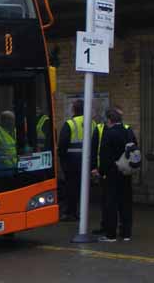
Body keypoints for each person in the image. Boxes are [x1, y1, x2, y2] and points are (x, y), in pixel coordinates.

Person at [91, 105, 137, 235]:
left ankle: (109, 231)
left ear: (108, 119)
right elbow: (134, 150)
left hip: (109, 172)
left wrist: (98, 170)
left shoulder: (107, 131)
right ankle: (125, 232)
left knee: (109, 202)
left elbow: (100, 153)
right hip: (126, 171)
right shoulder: (126, 130)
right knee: (125, 202)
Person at [58, 99, 95, 221]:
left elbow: (62, 144)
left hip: (72, 161)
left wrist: (62, 161)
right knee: (83, 186)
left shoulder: (70, 123)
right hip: (88, 160)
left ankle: (71, 212)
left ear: (73, 109)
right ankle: (83, 212)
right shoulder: (93, 123)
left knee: (71, 187)